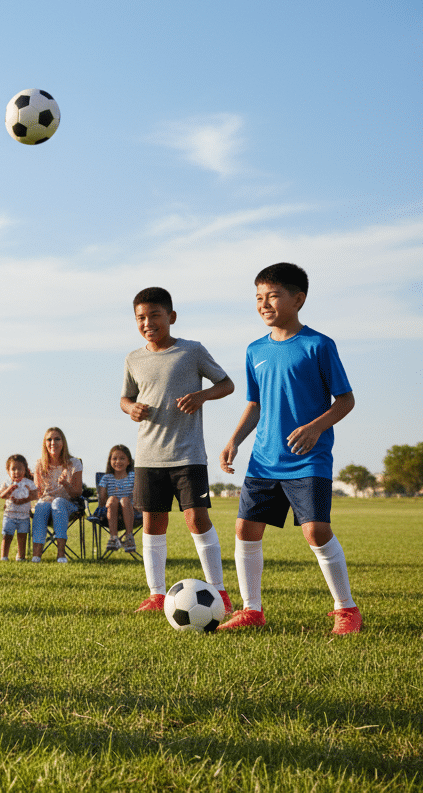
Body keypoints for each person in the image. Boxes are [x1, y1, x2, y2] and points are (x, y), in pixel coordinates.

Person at [219, 263, 359, 634]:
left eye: (273, 296)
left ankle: (347, 610)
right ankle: (251, 610)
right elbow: (255, 404)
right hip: (264, 460)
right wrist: (235, 439)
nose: (264, 304)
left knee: (315, 532)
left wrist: (316, 428)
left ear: (298, 299)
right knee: (246, 530)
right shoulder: (255, 350)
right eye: (259, 298)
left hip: (307, 460)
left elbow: (345, 400)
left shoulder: (318, 345)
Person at [121, 287, 235, 611]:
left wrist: (202, 396)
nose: (147, 322)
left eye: (154, 315)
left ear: (171, 317)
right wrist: (131, 409)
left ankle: (219, 592)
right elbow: (125, 398)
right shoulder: (133, 359)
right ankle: (157, 594)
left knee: (196, 519)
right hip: (147, 457)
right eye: (140, 318)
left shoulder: (192, 351)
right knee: (154, 522)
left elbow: (227, 384)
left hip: (188, 455)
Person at [31, 427, 82, 563]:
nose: (53, 443)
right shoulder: (40, 464)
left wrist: (66, 484)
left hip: (68, 504)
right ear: (45, 443)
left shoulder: (74, 463)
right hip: (46, 505)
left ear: (63, 442)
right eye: (49, 439)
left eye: (57, 439)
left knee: (57, 502)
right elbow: (38, 494)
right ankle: (36, 555)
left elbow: (77, 493)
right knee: (42, 505)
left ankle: (61, 554)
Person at [0, 454, 37, 561]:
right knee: (7, 536)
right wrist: (9, 489)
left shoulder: (28, 483)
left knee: (22, 536)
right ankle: (4, 556)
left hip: (24, 516)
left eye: (20, 469)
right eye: (13, 469)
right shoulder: (7, 483)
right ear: (8, 470)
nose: (16, 472)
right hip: (9, 515)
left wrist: (26, 499)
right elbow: (2, 495)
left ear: (25, 470)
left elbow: (35, 495)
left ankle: (21, 556)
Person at [99, 444, 137, 552]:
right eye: (114, 458)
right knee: (112, 500)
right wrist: (107, 498)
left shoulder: (133, 477)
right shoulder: (106, 478)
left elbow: (137, 495)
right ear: (110, 461)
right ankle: (113, 538)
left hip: (130, 510)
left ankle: (129, 537)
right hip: (111, 511)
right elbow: (102, 499)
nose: (118, 461)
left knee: (124, 500)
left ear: (128, 461)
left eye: (122, 458)